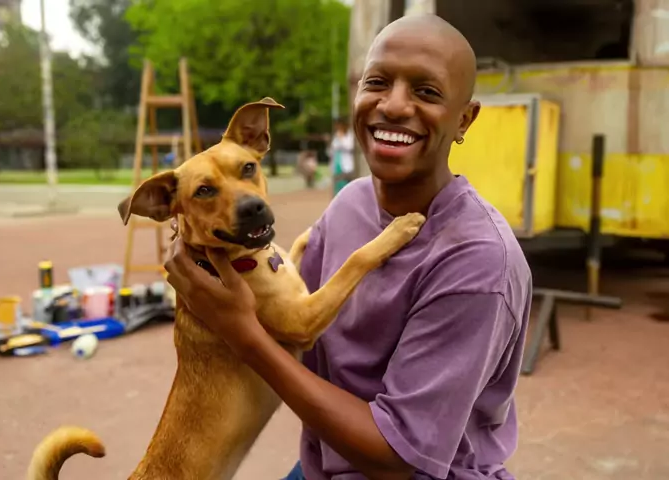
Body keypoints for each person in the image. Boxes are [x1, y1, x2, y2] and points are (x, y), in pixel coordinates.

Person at [164, 13, 532, 480]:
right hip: (326, 460)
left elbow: (396, 458)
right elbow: (296, 318)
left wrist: (241, 333)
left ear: (464, 118)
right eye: (377, 82)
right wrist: (207, 267)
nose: (393, 106)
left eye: (426, 91)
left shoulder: (478, 261)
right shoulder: (351, 202)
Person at [329, 118, 355, 196]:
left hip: (347, 166)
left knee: (348, 187)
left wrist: (341, 139)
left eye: (339, 126)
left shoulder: (349, 136)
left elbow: (349, 147)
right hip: (337, 166)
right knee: (336, 188)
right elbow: (332, 150)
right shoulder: (336, 136)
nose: (337, 128)